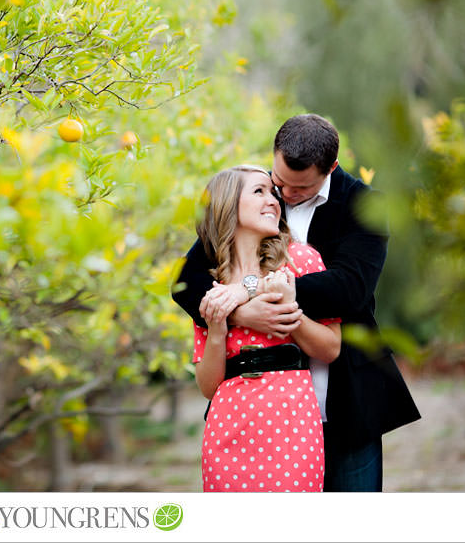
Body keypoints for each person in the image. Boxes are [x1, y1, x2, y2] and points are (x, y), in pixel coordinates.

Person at [173, 113, 420, 492]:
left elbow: (349, 288)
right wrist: (242, 312)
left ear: (331, 168)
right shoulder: (258, 199)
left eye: (298, 189)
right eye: (278, 182)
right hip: (256, 407)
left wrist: (251, 289)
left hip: (347, 393)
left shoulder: (363, 205)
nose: (283, 196)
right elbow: (187, 281)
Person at [192, 164, 341, 491]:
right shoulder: (211, 282)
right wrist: (217, 329)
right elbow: (207, 386)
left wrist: (291, 309)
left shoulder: (301, 260)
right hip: (228, 424)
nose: (273, 200)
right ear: (227, 204)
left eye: (272, 192)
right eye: (258, 191)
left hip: (290, 421)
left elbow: (330, 349)